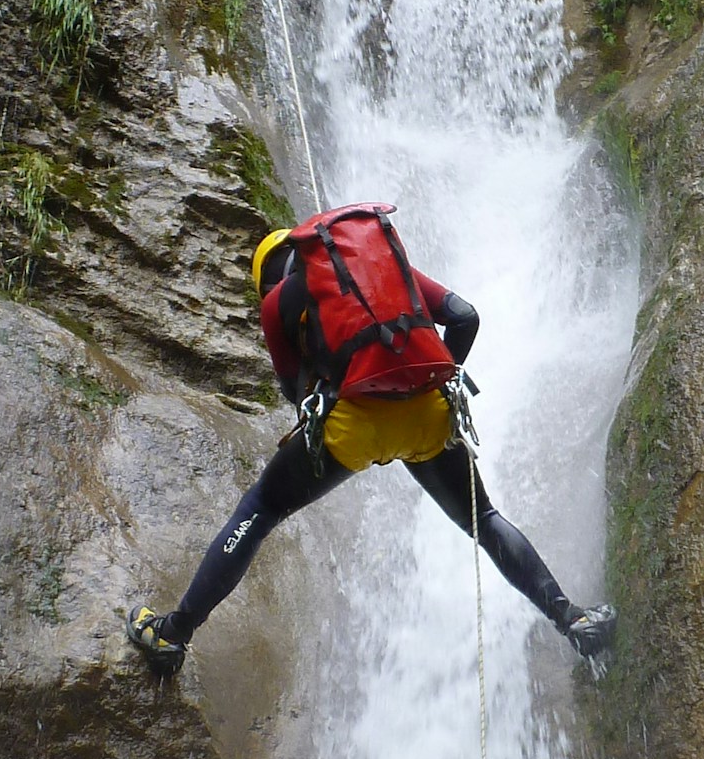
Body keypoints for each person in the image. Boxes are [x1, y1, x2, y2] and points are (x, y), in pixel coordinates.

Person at [125, 203, 617, 676]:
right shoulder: (389, 271)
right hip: (427, 414)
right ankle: (572, 619)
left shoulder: (278, 303)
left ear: (268, 277)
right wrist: (438, 379)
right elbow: (465, 316)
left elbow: (297, 393)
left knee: (262, 508)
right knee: (483, 519)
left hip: (352, 427)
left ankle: (173, 633)